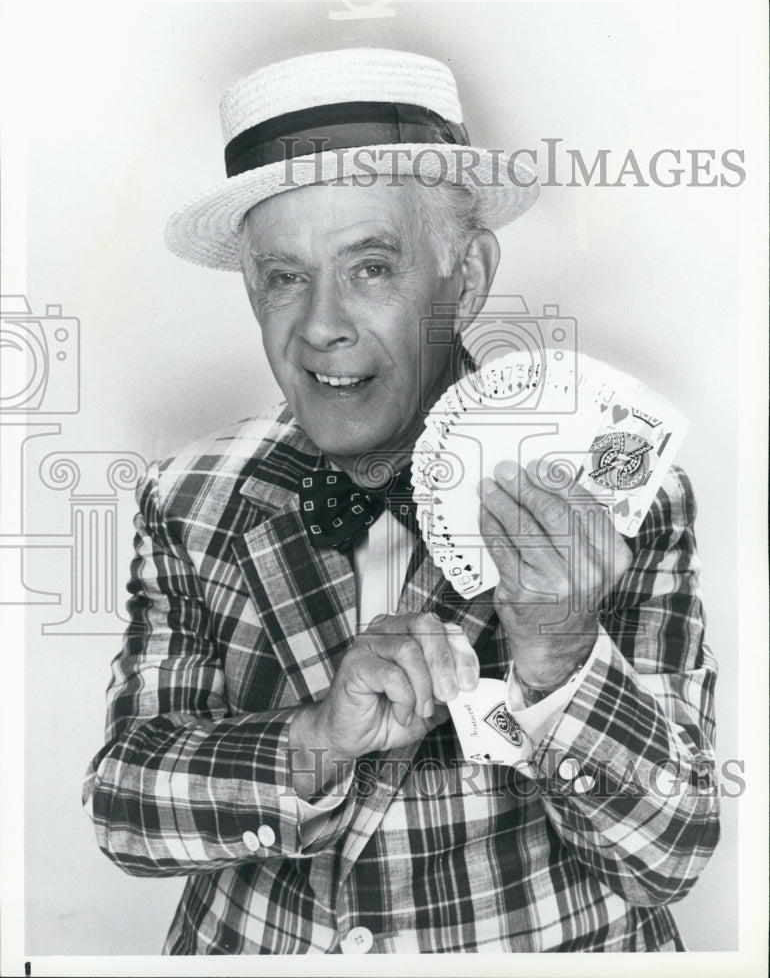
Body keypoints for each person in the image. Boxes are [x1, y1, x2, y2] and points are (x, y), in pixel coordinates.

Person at [83, 48, 719, 954]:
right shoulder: (188, 498)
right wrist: (313, 740)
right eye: (285, 276)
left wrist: (560, 658)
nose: (321, 324)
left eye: (371, 266)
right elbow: (123, 814)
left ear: (464, 278)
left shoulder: (614, 494)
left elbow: (673, 852)